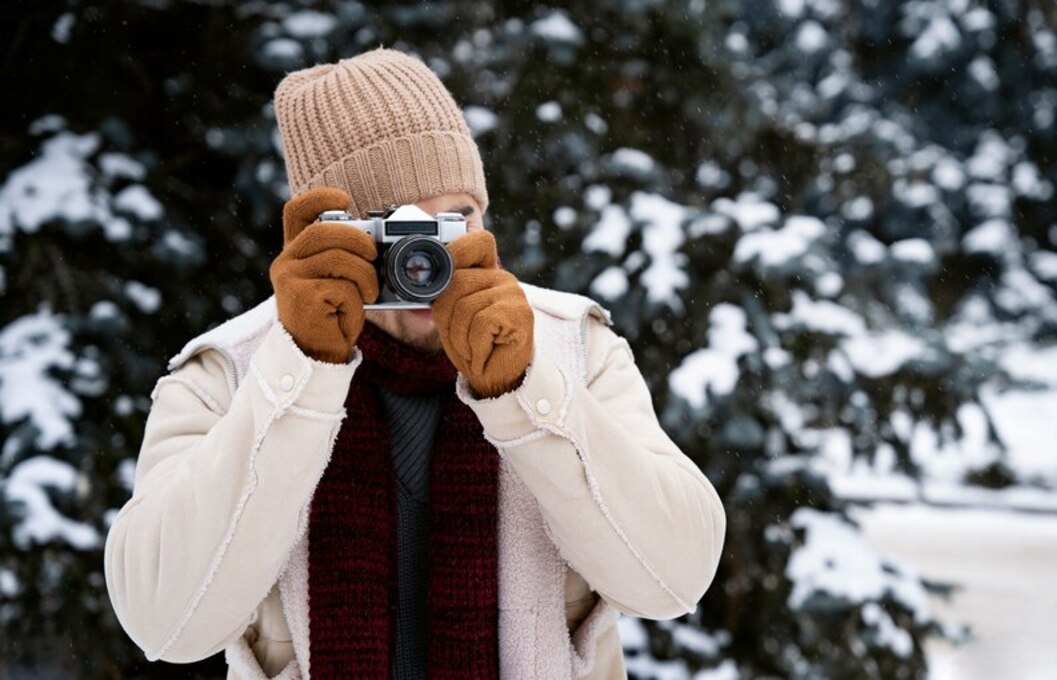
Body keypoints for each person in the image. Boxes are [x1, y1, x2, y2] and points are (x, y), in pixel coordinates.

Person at [104, 47, 725, 679]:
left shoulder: (570, 347)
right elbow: (166, 625)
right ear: (332, 234)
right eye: (396, 229)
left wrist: (525, 389)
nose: (428, 258)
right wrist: (301, 373)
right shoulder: (231, 372)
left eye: (456, 219)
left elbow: (674, 582)